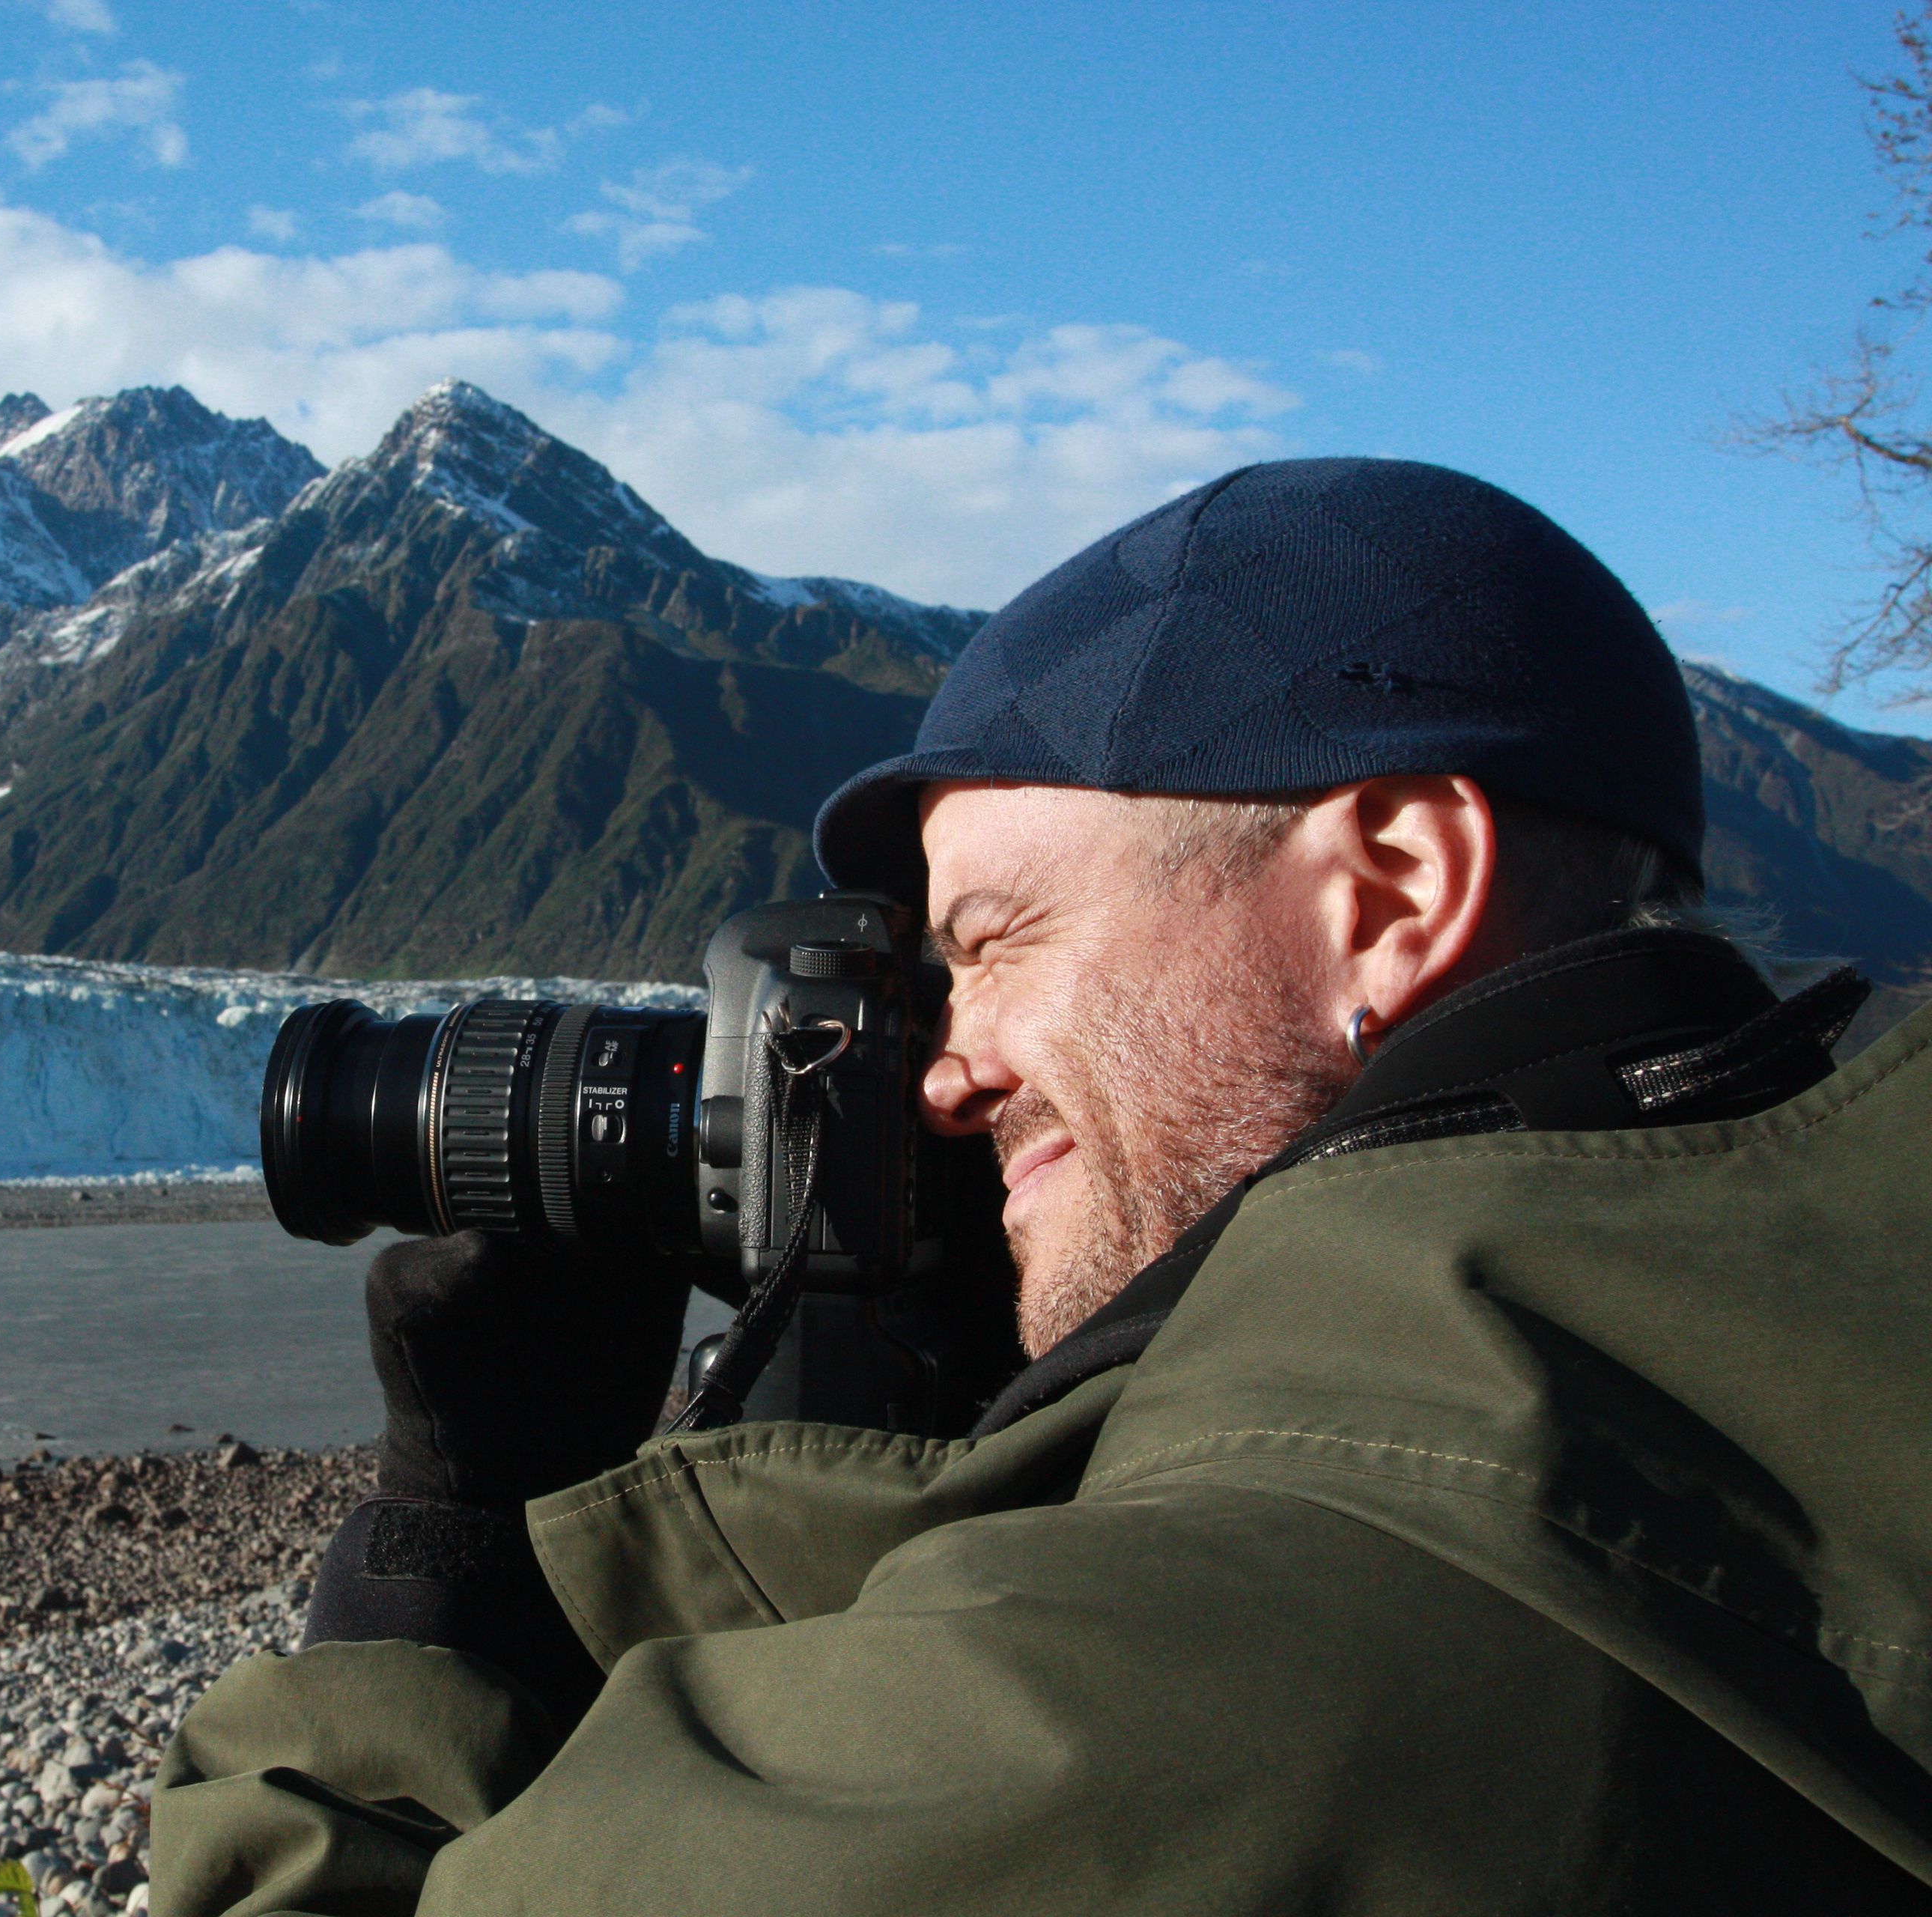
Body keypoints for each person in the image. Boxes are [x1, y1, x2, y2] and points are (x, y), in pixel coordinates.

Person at [148, 459, 1932, 1913]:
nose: (937, 1068)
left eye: (991, 943)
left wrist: (442, 1547)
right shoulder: (1781, 1352)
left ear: (1389, 891)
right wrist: (1035, 1428)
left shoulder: (1182, 1665)